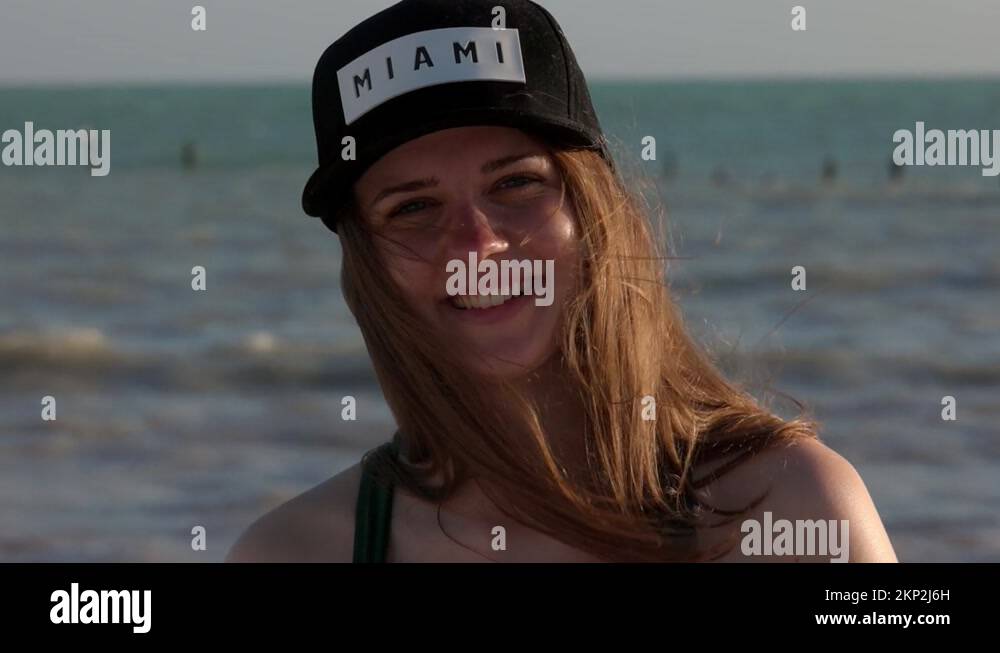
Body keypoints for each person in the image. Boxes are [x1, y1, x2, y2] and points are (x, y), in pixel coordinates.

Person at [227, 0, 896, 563]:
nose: (476, 243)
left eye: (515, 183)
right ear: (366, 263)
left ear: (595, 210)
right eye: (412, 207)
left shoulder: (789, 510)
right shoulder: (297, 549)